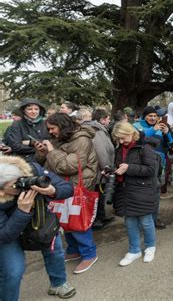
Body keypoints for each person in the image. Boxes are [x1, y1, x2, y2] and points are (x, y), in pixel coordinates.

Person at [0, 155, 76, 300]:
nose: (24, 185)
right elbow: (3, 236)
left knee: (55, 251)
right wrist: (22, 211)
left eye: (21, 179)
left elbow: (68, 188)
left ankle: (58, 283)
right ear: (1, 191)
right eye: (15, 186)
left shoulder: (32, 170)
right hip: (9, 229)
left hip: (40, 219)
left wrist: (53, 191)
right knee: (13, 271)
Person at [34, 113, 99, 274]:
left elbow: (68, 166)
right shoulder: (62, 138)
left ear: (62, 126)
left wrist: (51, 150)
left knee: (78, 221)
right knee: (64, 220)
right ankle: (74, 250)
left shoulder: (81, 140)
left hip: (78, 186)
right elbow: (48, 162)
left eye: (52, 128)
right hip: (64, 185)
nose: (50, 132)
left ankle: (89, 254)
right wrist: (43, 152)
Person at [110, 122, 158, 266]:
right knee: (130, 221)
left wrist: (129, 168)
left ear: (131, 133)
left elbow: (150, 170)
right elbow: (119, 166)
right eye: (118, 139)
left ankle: (150, 247)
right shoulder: (120, 149)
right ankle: (134, 250)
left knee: (146, 221)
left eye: (123, 138)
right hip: (126, 190)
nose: (121, 141)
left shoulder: (145, 147)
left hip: (143, 190)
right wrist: (111, 171)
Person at [133, 106, 171, 229]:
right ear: (144, 116)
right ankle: (143, 220)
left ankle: (154, 219)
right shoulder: (136, 126)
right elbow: (137, 140)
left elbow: (170, 144)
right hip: (142, 165)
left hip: (159, 166)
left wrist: (167, 133)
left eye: (155, 116)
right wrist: (152, 130)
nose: (153, 118)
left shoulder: (160, 128)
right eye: (150, 116)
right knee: (142, 194)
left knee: (156, 193)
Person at [83, 110, 115, 230]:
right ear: (102, 119)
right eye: (107, 119)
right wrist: (107, 168)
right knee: (97, 195)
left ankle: (100, 217)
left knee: (98, 195)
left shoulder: (96, 129)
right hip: (98, 171)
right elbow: (101, 152)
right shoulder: (96, 131)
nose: (109, 121)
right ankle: (96, 220)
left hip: (96, 170)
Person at [4, 98, 49, 163]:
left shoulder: (45, 123)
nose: (33, 112)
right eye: (29, 109)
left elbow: (50, 141)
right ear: (24, 110)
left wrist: (30, 142)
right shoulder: (17, 124)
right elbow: (16, 147)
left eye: (36, 109)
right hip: (24, 161)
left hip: (44, 160)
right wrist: (39, 148)